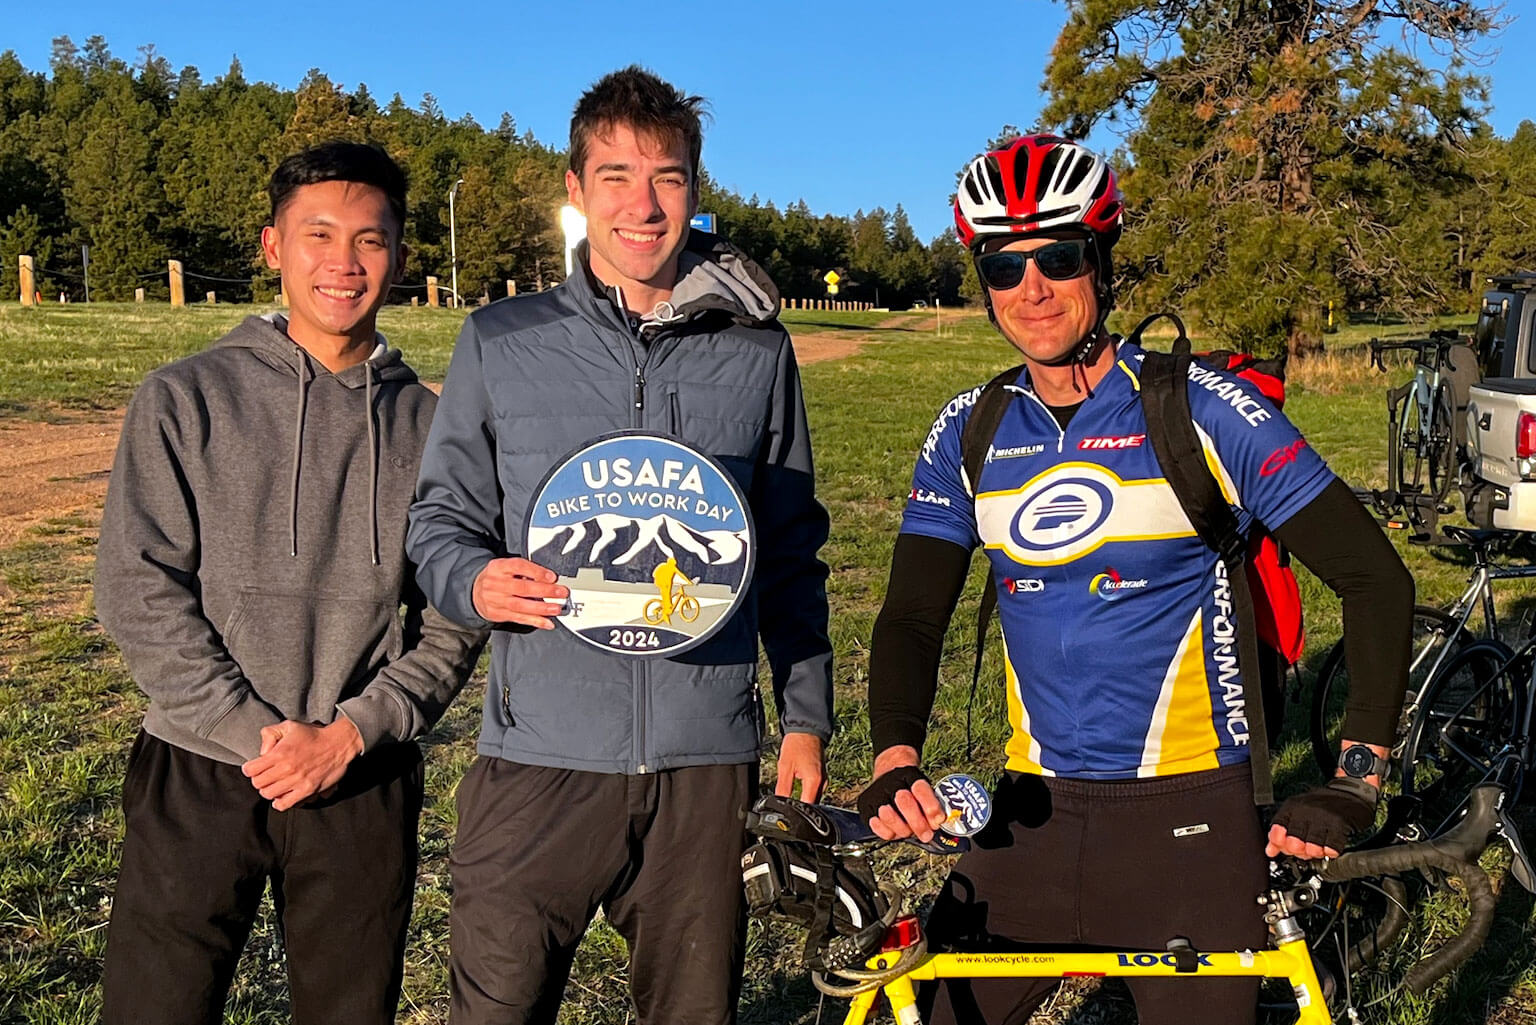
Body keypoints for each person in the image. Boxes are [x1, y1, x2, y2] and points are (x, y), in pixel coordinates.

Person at [856, 134, 1413, 1025]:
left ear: (1102, 262)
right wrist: (894, 758)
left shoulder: (1202, 409)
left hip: (1189, 823)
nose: (1032, 287)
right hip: (1030, 812)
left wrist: (1355, 779)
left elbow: (1375, 580)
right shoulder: (970, 429)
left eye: (1059, 256)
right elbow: (913, 614)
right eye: (1004, 266)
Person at [406, 66, 833, 1025]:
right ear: (575, 190)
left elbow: (793, 547)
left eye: (669, 177)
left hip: (702, 765)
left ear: (696, 188)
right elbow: (438, 522)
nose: (643, 205)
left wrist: (805, 716)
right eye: (615, 176)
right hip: (539, 758)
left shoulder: (757, 350)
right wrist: (474, 579)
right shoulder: (499, 341)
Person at [94, 141, 487, 1025]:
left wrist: (352, 733)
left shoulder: (437, 429)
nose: (343, 264)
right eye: (318, 234)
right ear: (274, 247)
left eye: (370, 240)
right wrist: (256, 734)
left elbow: (454, 620)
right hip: (199, 763)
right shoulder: (183, 398)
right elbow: (137, 587)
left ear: (399, 253)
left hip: (359, 774)